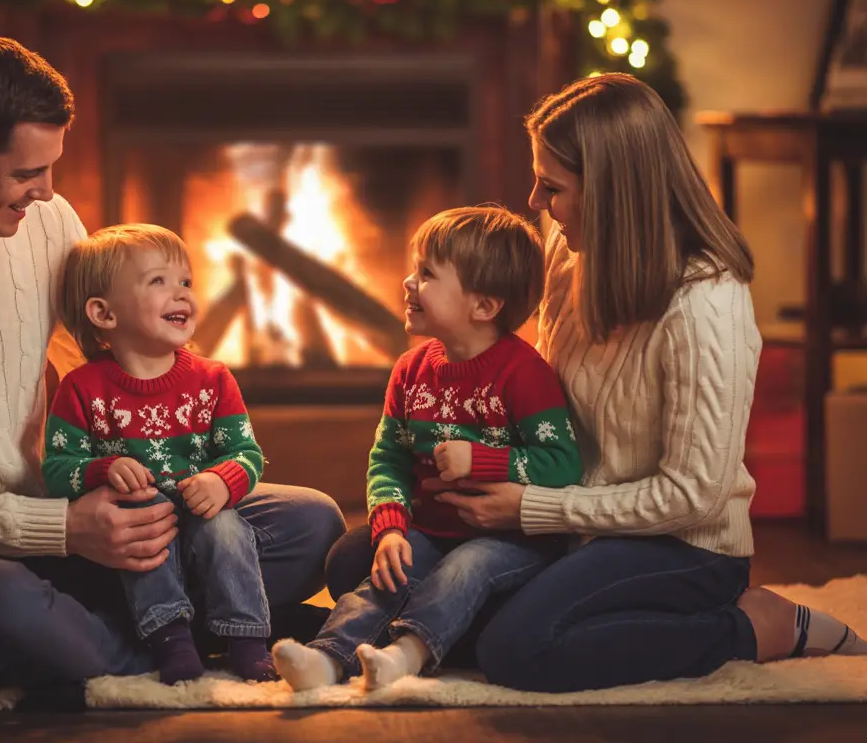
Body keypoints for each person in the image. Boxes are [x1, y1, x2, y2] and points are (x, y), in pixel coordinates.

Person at [0, 35, 344, 700]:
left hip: (54, 516)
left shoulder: (47, 222)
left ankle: (134, 632)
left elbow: (110, 359)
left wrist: (166, 481)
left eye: (52, 167)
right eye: (27, 174)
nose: (46, 192)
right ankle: (184, 633)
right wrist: (66, 529)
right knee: (1, 609)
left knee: (313, 524)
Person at [325, 73, 866, 693]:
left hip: (679, 545)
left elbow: (694, 496)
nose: (533, 202)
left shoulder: (706, 305)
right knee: (356, 562)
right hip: (568, 518)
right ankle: (463, 620)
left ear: (612, 193)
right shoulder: (567, 248)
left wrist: (532, 506)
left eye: (551, 186)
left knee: (518, 650)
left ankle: (753, 628)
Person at [273, 206, 581, 691]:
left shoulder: (525, 374)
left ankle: (406, 655)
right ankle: (327, 659)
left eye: (428, 274)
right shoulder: (411, 370)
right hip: (431, 528)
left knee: (467, 567)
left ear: (483, 306)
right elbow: (388, 460)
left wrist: (480, 460)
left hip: (514, 540)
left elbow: (563, 464)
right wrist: (391, 527)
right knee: (385, 574)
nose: (409, 282)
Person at [42, 223, 276, 684]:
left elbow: (247, 453)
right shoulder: (82, 389)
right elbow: (55, 471)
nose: (181, 294)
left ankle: (247, 637)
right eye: (159, 282)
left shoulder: (213, 380)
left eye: (185, 282)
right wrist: (102, 469)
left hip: (200, 516)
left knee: (228, 526)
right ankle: (170, 638)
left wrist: (221, 480)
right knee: (141, 516)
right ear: (104, 314)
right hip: (141, 533)